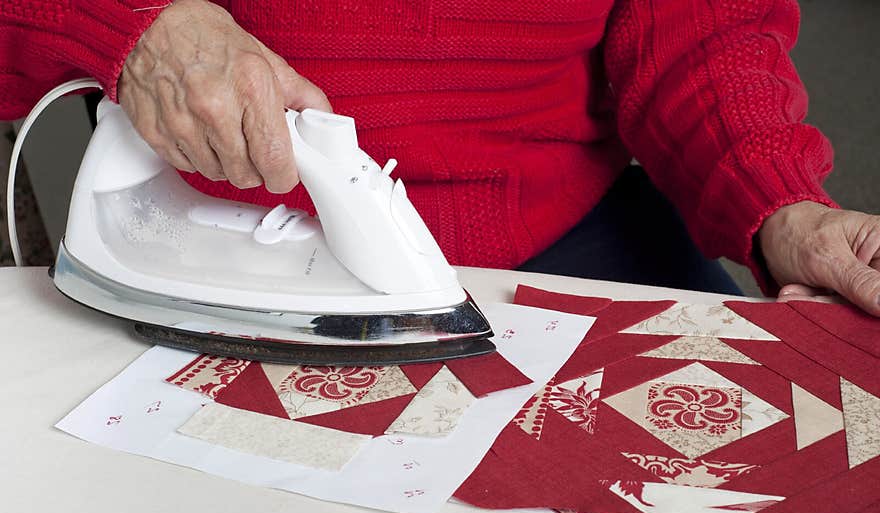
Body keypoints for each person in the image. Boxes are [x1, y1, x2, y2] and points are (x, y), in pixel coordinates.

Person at [2, 1, 878, 314]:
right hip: (229, 215)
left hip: (566, 225)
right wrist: (137, 23)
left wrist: (787, 207)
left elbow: (701, 33)